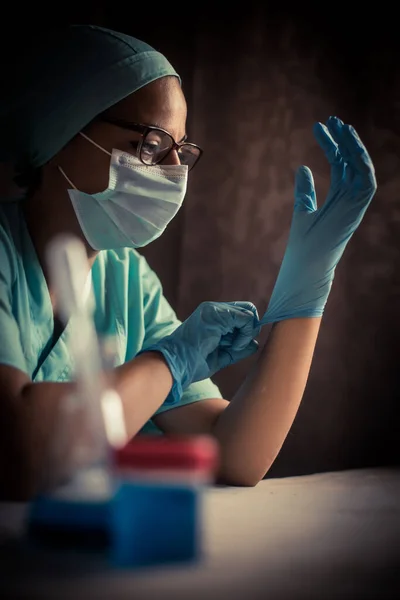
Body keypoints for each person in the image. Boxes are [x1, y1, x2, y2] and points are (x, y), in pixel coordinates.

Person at [0, 25, 377, 500]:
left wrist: (306, 286)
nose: (174, 171)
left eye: (182, 151)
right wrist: (169, 360)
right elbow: (20, 451)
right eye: (152, 145)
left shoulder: (127, 279)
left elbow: (233, 453)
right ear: (61, 128)